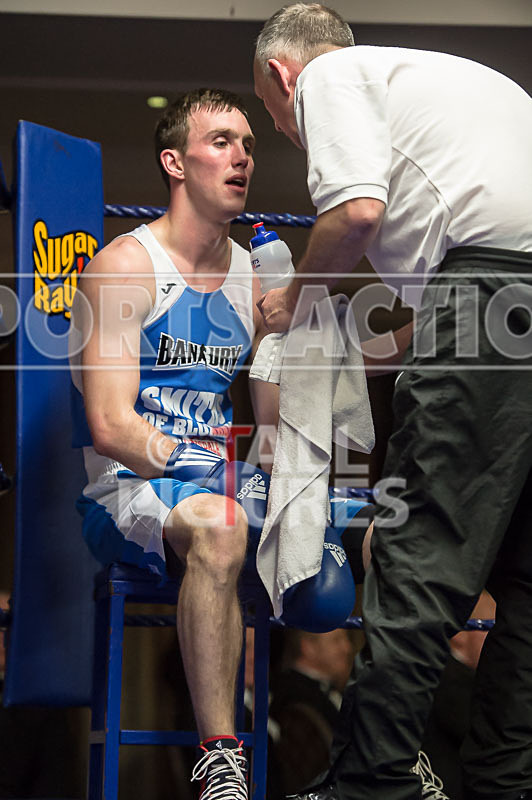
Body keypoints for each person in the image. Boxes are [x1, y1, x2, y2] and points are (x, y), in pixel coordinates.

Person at [253, 4, 532, 800]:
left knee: (420, 557)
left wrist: (295, 304)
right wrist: (354, 351)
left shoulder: (332, 75)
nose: (287, 130)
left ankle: (370, 786)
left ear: (282, 76)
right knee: (526, 578)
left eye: (275, 120)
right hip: (498, 303)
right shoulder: (464, 89)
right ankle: (505, 784)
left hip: (482, 297)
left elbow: (357, 214)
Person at [69, 88, 278, 800]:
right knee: (222, 527)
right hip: (128, 491)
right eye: (221, 141)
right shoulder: (124, 266)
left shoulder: (254, 276)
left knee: (373, 534)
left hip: (221, 483)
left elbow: (275, 424)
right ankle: (222, 762)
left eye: (249, 143)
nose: (242, 156)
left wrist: (289, 487)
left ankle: (389, 755)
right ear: (174, 162)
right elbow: (110, 423)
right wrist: (216, 473)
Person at [269, 628, 353, 793]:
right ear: (308, 647)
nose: (347, 648)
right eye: (336, 640)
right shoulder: (291, 696)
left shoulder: (329, 691)